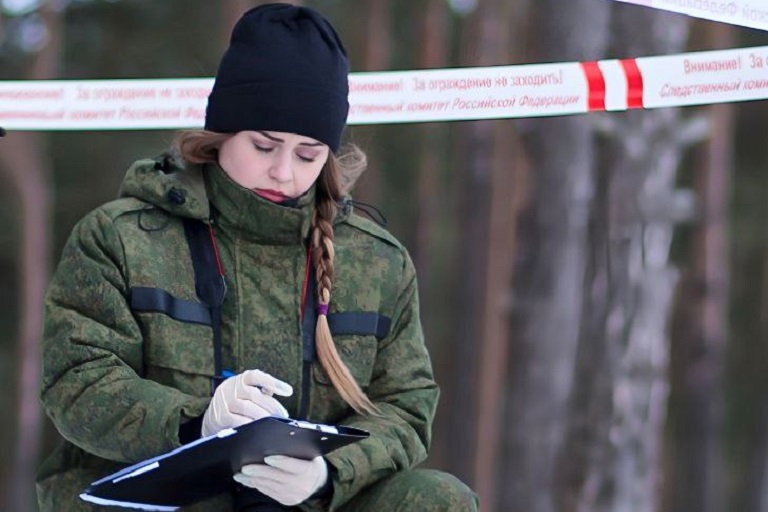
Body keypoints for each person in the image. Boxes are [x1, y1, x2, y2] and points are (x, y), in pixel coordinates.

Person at [36, 3, 478, 511]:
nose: (284, 173)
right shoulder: (120, 238)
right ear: (222, 134)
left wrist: (329, 473)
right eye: (265, 146)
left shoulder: (377, 262)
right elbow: (77, 381)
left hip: (306, 501)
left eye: (308, 154)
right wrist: (193, 420)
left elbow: (405, 404)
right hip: (158, 496)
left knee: (438, 498)